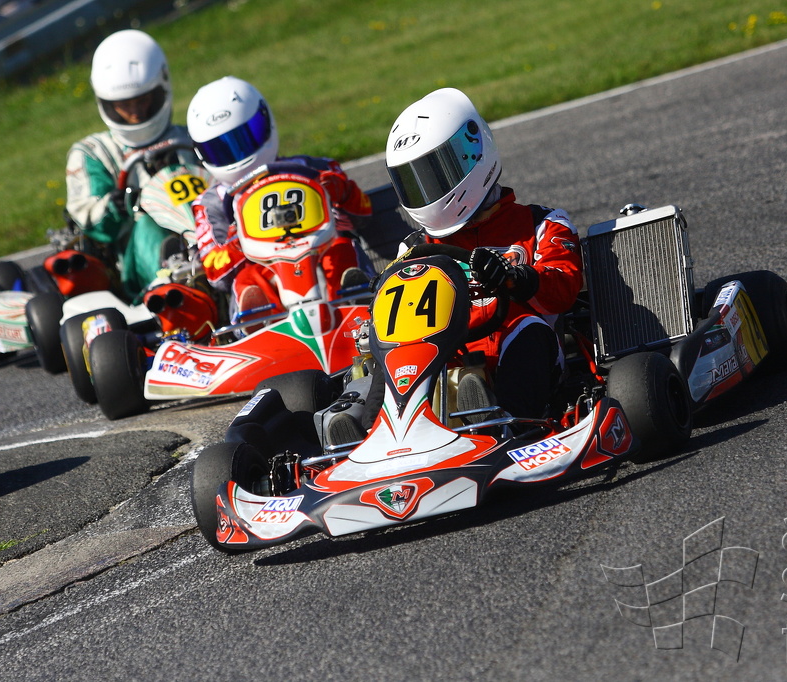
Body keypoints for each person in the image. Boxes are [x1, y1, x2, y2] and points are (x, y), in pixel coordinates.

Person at [384, 87, 583, 418]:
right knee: (391, 354)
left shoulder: (542, 224)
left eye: (436, 174)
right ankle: (369, 426)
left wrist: (515, 278)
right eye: (414, 181)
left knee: (527, 328)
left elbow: (563, 290)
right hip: (444, 360)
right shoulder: (414, 250)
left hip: (519, 356)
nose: (427, 190)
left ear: (472, 154)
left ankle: (508, 422)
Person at [187, 76, 373, 326]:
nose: (237, 153)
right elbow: (215, 272)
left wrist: (342, 191)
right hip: (266, 271)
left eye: (245, 137)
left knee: (342, 250)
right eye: (221, 148)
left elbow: (364, 214)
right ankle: (259, 326)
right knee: (247, 279)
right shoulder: (210, 203)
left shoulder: (315, 169)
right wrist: (238, 239)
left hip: (321, 257)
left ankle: (358, 308)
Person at [64, 29, 199, 301]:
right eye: (124, 105)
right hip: (134, 259)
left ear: (160, 89)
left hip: (204, 228)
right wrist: (114, 206)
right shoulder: (95, 153)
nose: (136, 113)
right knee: (149, 225)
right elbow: (90, 221)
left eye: (142, 100)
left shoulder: (191, 137)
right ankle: (180, 285)